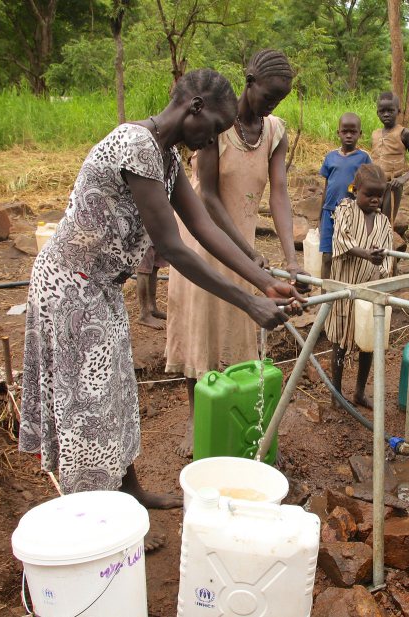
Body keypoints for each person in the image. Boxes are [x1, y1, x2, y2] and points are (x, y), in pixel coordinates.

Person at [19, 69, 302, 506]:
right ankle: (94, 514)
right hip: (70, 289)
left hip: (102, 287)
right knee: (88, 408)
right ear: (195, 108)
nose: (210, 142)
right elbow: (176, 247)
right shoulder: (136, 146)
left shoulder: (165, 158)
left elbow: (203, 226)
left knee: (116, 393)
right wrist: (247, 301)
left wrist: (265, 282)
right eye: (212, 130)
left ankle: (130, 492)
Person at [165, 49, 305, 458]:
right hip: (203, 240)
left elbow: (278, 194)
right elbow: (207, 197)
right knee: (200, 330)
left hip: (244, 250)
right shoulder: (215, 126)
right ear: (249, 82)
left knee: (236, 332)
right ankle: (198, 416)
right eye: (267, 96)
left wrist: (291, 256)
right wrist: (248, 250)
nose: (270, 105)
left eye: (278, 100)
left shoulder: (275, 132)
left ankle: (233, 411)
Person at [326, 164, 394, 408]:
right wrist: (367, 254)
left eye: (380, 195)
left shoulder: (384, 222)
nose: (375, 199)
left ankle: (359, 392)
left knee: (368, 343)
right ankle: (335, 392)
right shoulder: (345, 209)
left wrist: (381, 260)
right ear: (356, 191)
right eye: (369, 194)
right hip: (345, 288)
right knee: (340, 343)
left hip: (369, 290)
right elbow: (340, 240)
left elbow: (388, 255)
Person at [319, 112, 372, 278]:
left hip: (351, 213)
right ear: (338, 133)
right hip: (330, 212)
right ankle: (325, 299)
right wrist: (320, 217)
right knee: (327, 256)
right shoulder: (330, 157)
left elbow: (369, 185)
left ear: (360, 134)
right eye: (345, 131)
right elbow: (326, 187)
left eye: (353, 132)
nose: (349, 135)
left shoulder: (364, 158)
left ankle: (345, 297)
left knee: (348, 254)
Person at [371, 92, 409, 224]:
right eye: (382, 111)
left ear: (398, 111)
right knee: (370, 219)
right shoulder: (375, 134)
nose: (386, 114)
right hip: (374, 184)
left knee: (386, 222)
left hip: (393, 185)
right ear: (377, 113)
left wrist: (402, 179)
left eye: (390, 111)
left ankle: (386, 244)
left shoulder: (404, 133)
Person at [134, 245, 167, 329]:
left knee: (154, 266)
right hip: (145, 234)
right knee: (144, 270)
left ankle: (152, 308)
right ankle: (144, 314)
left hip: (157, 234)